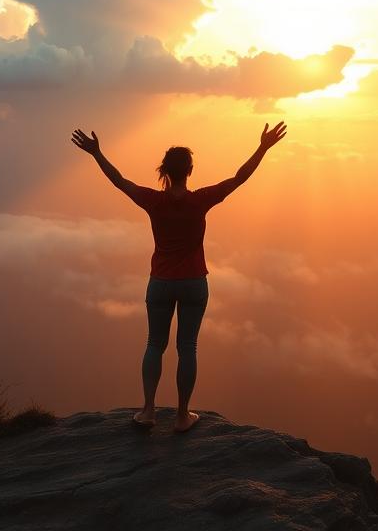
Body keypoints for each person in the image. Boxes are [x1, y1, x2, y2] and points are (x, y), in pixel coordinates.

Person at [71, 122, 287, 432]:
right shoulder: (200, 200)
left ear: (164, 171)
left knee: (154, 344)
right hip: (194, 282)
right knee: (188, 347)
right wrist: (263, 147)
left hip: (160, 282)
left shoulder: (154, 201)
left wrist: (96, 153)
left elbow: (120, 181)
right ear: (190, 170)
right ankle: (183, 416)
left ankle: (148, 411)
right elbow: (239, 178)